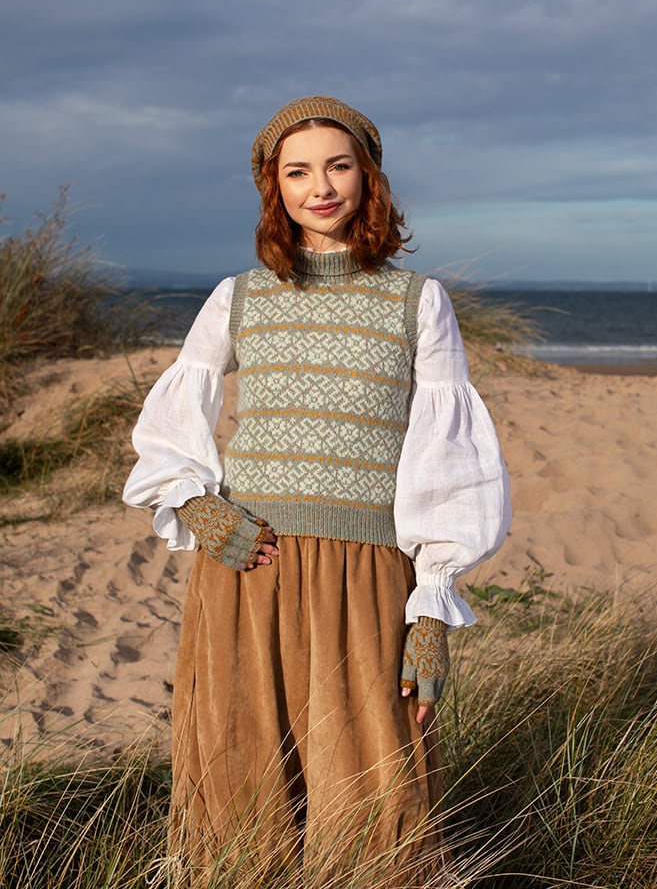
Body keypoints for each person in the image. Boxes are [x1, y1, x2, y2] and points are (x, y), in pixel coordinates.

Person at [123, 95, 511, 886]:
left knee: (370, 780)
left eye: (339, 165)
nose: (320, 186)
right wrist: (200, 508)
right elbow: (171, 420)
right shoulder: (239, 296)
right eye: (296, 171)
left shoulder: (417, 301)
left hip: (366, 573)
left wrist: (432, 603)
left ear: (368, 178)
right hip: (246, 565)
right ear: (274, 187)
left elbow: (449, 456)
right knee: (240, 766)